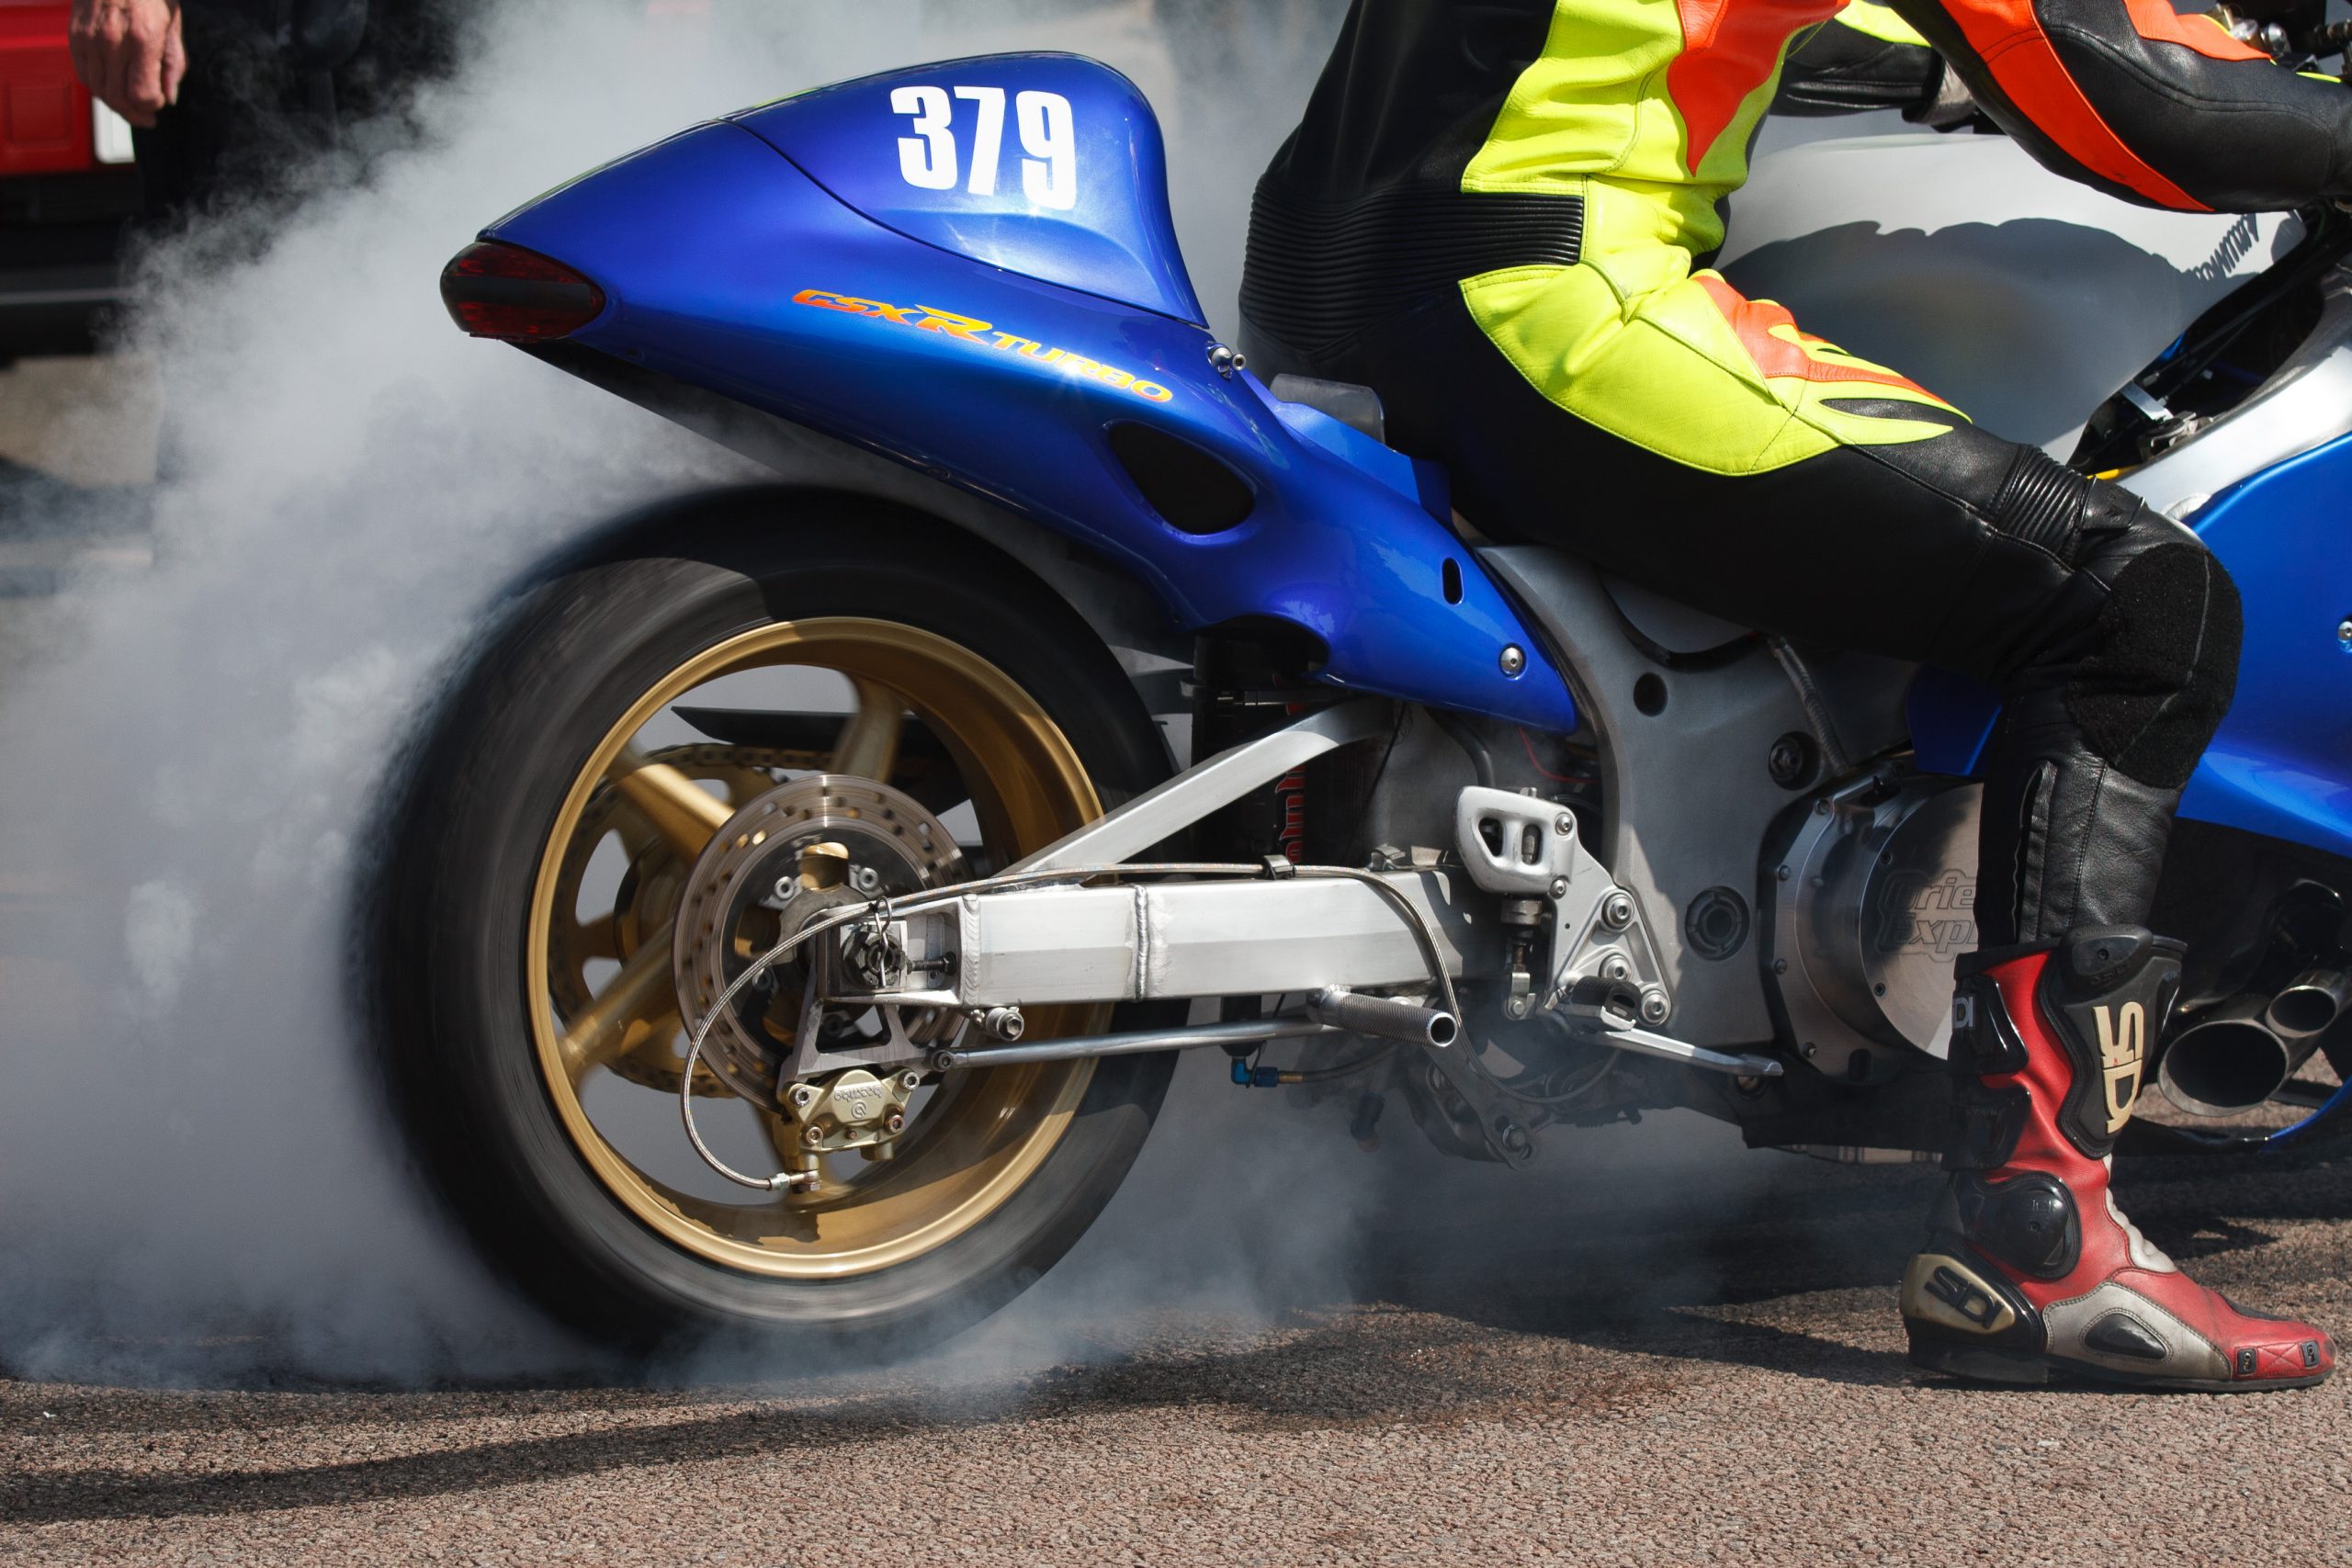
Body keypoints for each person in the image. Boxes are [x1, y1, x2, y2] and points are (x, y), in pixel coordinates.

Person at [1240, 0, 2342, 1390]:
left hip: (1332, 280)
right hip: (1548, 297)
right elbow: (2133, 91)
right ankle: (2041, 1236)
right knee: (2134, 606)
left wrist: (1935, 66)